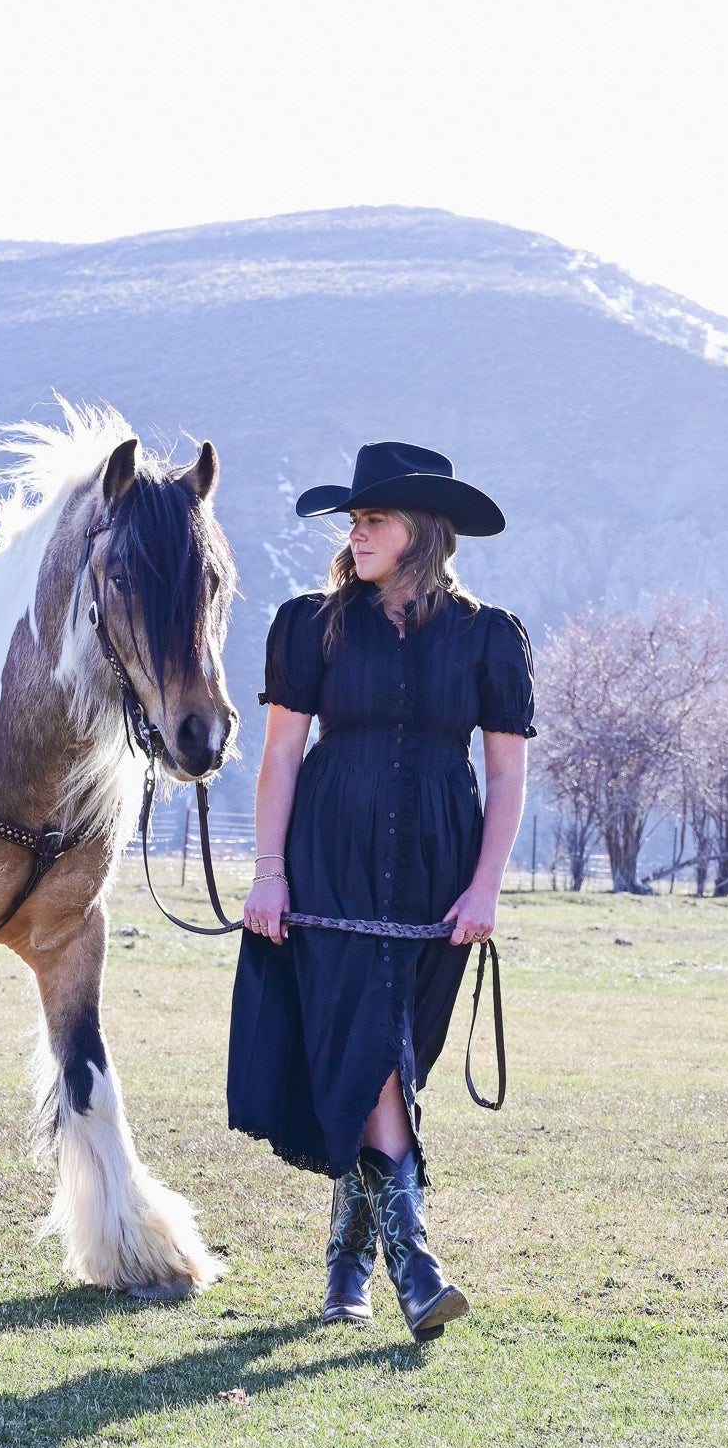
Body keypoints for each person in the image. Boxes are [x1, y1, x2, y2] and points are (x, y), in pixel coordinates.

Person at [227, 441, 533, 1338]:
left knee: (388, 1063)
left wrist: (486, 888)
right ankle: (418, 1272)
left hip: (440, 872)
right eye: (353, 522)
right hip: (328, 863)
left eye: (374, 520)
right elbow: (280, 754)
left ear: (421, 532)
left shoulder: (487, 635)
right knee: (363, 1051)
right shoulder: (310, 623)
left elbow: (506, 776)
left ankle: (342, 1276)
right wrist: (269, 872)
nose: (356, 535)